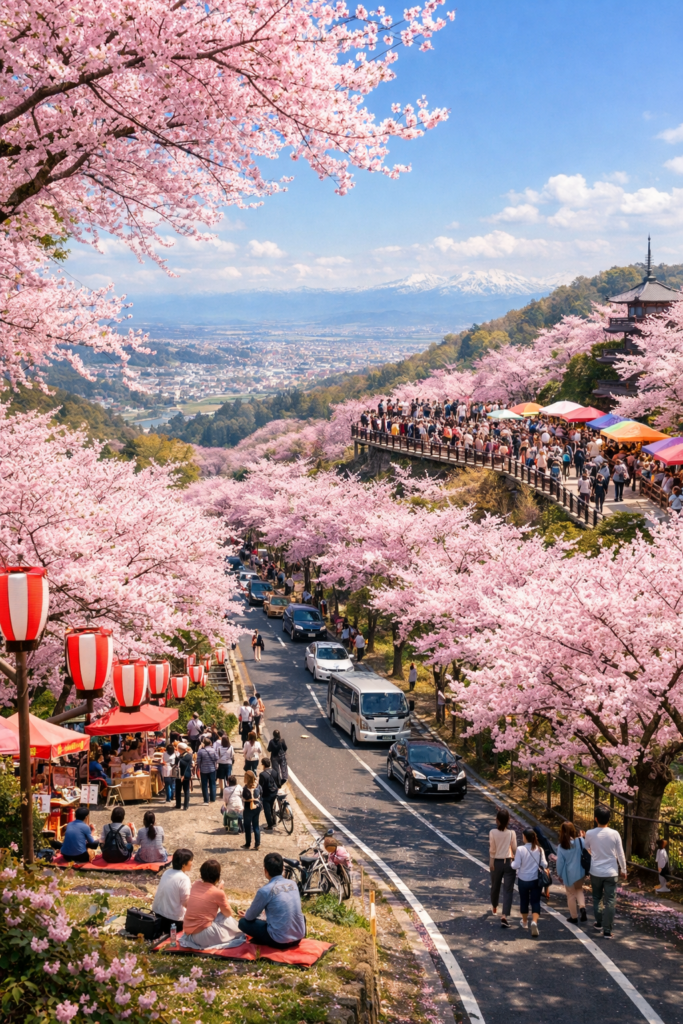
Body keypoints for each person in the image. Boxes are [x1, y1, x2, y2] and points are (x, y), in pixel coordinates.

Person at [238, 852, 307, 948]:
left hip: (278, 941)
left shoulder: (264, 891)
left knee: (243, 923)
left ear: (265, 870)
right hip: (298, 937)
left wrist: (246, 915)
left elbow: (249, 917)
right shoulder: (293, 884)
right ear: (283, 868)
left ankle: (267, 939)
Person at [179, 859, 243, 950]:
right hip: (203, 936)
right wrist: (221, 891)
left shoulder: (195, 885)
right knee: (228, 920)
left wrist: (218, 890)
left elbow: (207, 893)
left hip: (189, 934)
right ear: (217, 877)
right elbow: (228, 913)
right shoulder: (218, 893)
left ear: (201, 874)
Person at [584, 804, 627, 939]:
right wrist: (624, 869)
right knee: (610, 900)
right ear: (609, 819)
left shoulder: (590, 833)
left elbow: (586, 848)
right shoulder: (615, 834)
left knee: (597, 897)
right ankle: (607, 930)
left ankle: (598, 923)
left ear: (596, 819)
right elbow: (620, 854)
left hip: (596, 871)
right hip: (611, 872)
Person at [510, 827, 547, 938]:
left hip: (523, 879)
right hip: (536, 879)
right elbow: (544, 864)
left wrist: (511, 864)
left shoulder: (520, 849)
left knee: (524, 900)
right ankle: (534, 922)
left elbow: (516, 865)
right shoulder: (540, 850)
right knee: (535, 901)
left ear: (525, 837)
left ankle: (525, 921)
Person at [152, 848, 193, 934]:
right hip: (172, 920)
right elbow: (186, 904)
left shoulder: (167, 872)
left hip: (158, 914)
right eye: (191, 861)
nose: (192, 863)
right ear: (183, 864)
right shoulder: (184, 879)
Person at [489, 808, 517, 928]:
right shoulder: (512, 833)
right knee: (508, 889)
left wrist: (491, 862)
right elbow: (515, 849)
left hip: (496, 862)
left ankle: (495, 906)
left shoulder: (492, 832)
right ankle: (504, 915)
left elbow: (492, 849)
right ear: (508, 821)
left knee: (495, 886)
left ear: (498, 820)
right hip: (509, 862)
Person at [555, 821, 588, 923]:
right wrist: (583, 836)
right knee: (579, 890)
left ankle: (574, 917)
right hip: (580, 872)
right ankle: (582, 907)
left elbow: (560, 863)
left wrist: (559, 874)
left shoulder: (562, 846)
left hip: (568, 873)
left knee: (571, 895)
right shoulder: (580, 841)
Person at [241, 770, 262, 851]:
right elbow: (261, 793)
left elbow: (244, 798)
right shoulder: (258, 786)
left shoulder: (245, 788)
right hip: (257, 807)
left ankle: (248, 844)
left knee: (247, 826)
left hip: (248, 808)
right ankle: (257, 844)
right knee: (256, 825)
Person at [259, 757, 280, 830]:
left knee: (267, 809)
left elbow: (261, 786)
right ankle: (274, 821)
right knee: (272, 807)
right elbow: (278, 783)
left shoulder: (262, 774)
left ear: (263, 765)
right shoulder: (275, 772)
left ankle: (270, 825)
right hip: (274, 793)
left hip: (266, 794)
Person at [196, 736, 218, 803]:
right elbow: (216, 758)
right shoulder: (213, 750)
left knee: (204, 785)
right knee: (212, 784)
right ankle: (213, 798)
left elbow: (198, 761)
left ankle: (206, 800)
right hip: (212, 769)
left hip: (203, 770)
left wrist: (198, 768)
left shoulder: (200, 751)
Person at [175, 743, 193, 811]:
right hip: (179, 774)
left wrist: (177, 758)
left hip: (185, 775)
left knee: (186, 790)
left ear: (180, 749)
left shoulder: (188, 756)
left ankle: (186, 805)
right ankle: (178, 804)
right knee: (178, 790)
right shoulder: (180, 755)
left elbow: (183, 764)